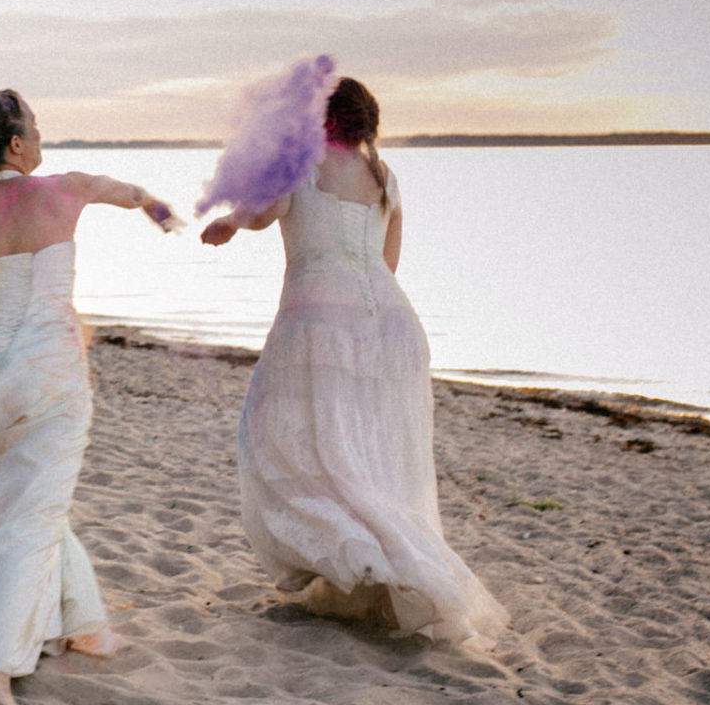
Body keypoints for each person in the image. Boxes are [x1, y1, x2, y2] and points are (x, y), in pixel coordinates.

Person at [200, 78, 507, 647]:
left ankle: (359, 558)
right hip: (392, 327)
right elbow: (388, 262)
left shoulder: (299, 164)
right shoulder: (385, 177)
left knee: (283, 434)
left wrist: (228, 224)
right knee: (371, 453)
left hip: (318, 324)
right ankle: (373, 568)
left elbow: (263, 212)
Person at [0, 88, 172, 705]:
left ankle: (78, 622)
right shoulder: (65, 189)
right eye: (36, 126)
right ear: (17, 143)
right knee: (35, 512)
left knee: (25, 499)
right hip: (49, 375)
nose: (42, 136)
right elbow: (127, 193)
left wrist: (0, 311)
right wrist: (156, 207)